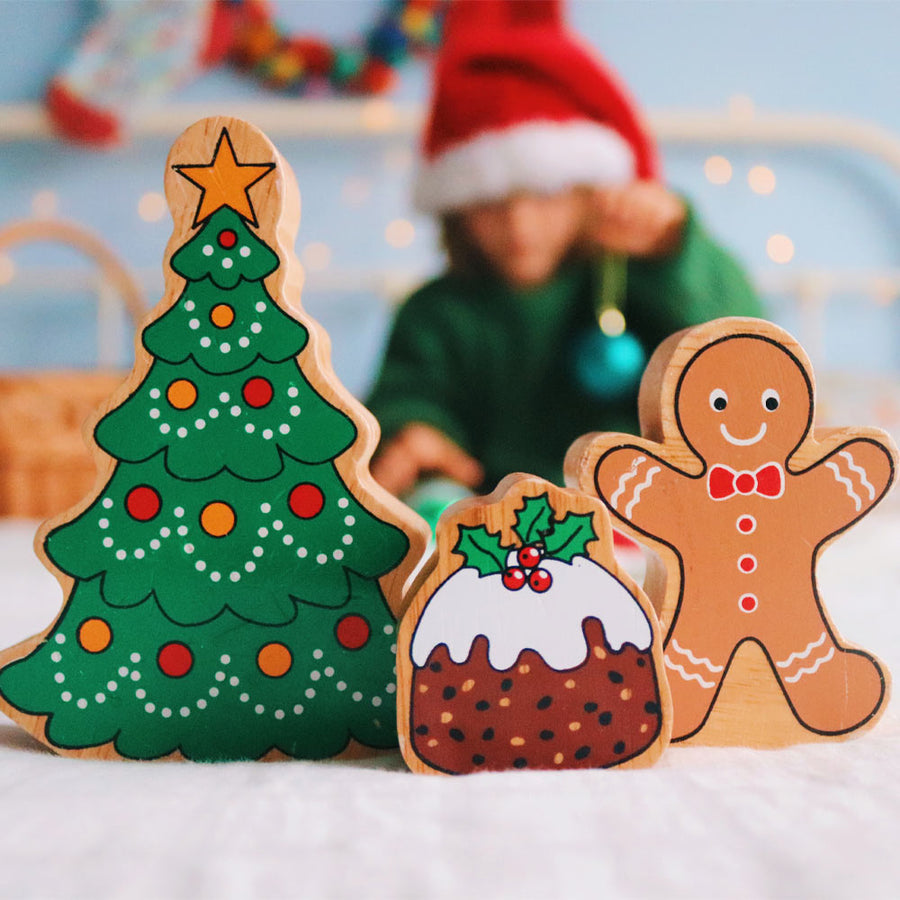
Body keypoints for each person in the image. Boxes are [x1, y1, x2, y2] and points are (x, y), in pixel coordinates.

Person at [368, 0, 763, 497]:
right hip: (495, 534)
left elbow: (743, 348)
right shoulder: (436, 313)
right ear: (457, 211)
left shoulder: (636, 282)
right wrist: (415, 437)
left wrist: (672, 247)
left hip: (641, 515)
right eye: (489, 202)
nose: (518, 222)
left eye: (546, 192)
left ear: (587, 194)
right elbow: (406, 399)